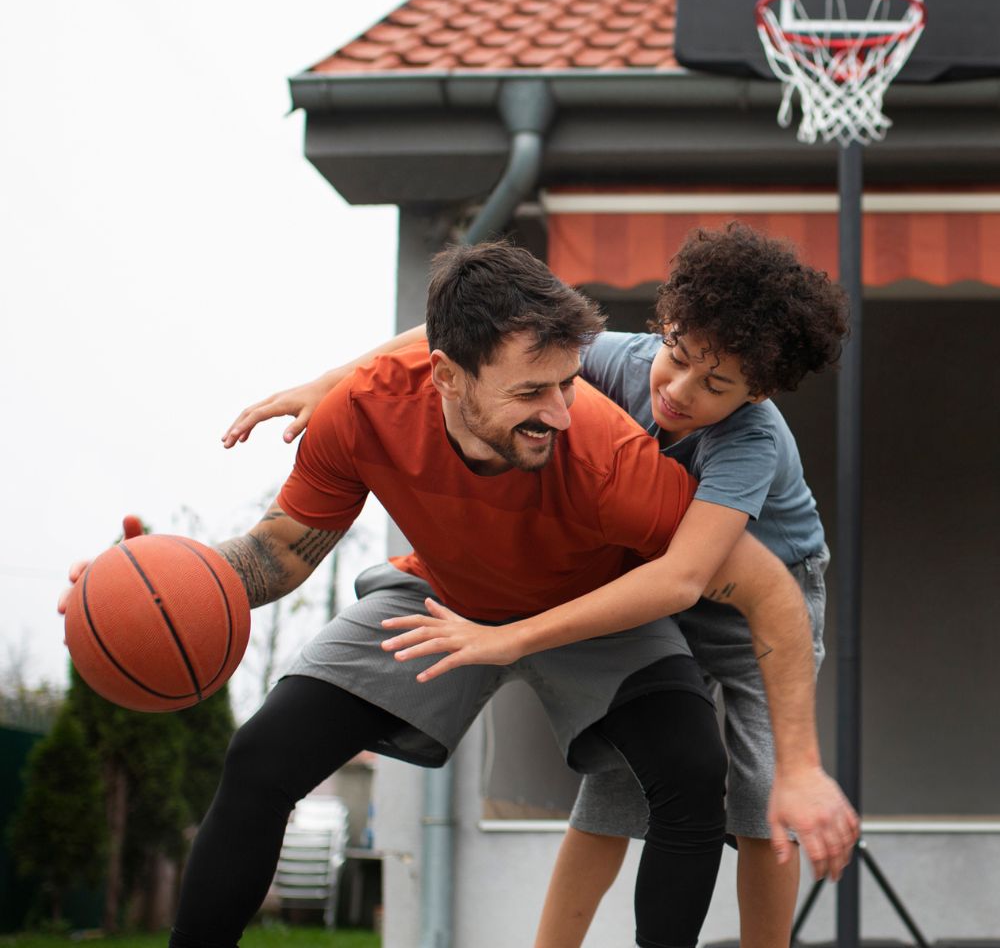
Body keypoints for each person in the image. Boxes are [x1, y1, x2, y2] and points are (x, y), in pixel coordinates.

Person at [61, 240, 853, 948]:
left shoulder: (619, 450)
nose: (561, 409)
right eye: (533, 392)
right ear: (449, 375)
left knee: (711, 783)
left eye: (567, 384)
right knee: (262, 754)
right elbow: (278, 553)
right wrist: (154, 584)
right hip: (453, 593)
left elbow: (746, 586)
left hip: (624, 596)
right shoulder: (369, 409)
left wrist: (805, 766)